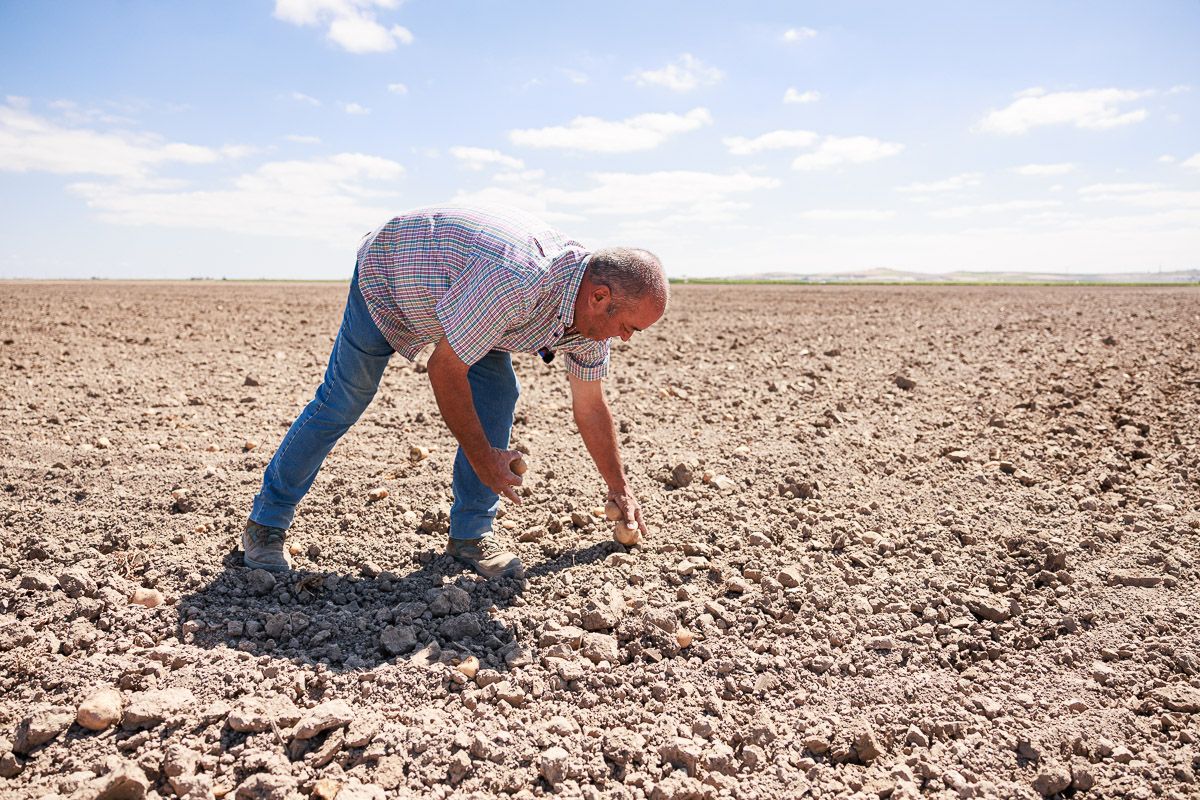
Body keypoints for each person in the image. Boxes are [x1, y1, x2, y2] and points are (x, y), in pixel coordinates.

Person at [241, 204, 668, 579]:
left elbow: (590, 407)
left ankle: (471, 534)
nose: (627, 339)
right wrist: (485, 459)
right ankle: (267, 521)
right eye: (629, 327)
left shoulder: (591, 321)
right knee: (344, 398)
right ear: (599, 296)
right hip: (392, 277)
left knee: (499, 391)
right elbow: (444, 370)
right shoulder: (518, 281)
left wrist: (619, 487)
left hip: (461, 298)